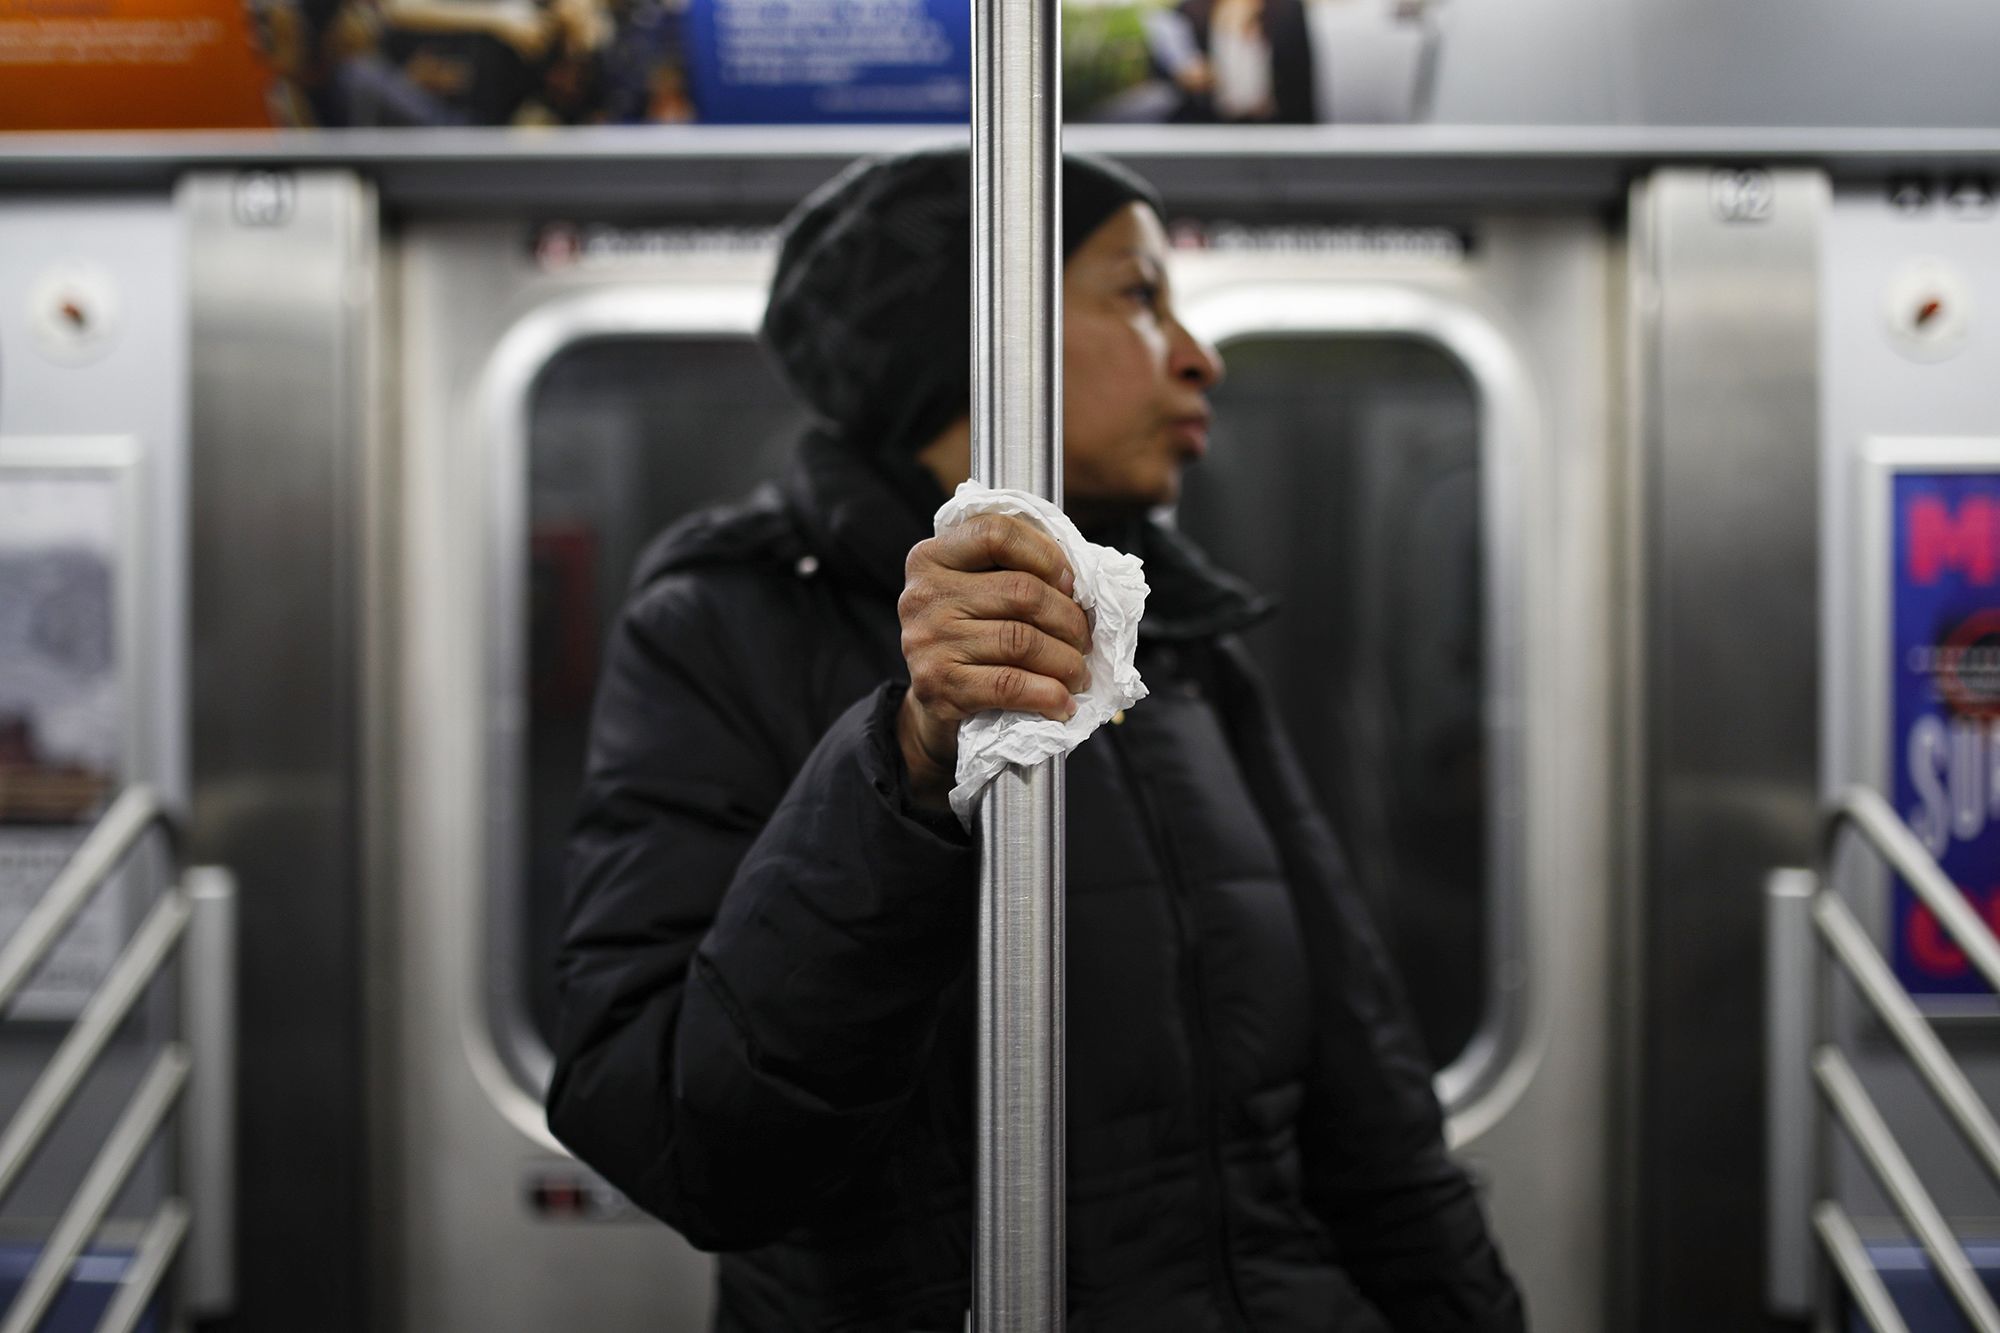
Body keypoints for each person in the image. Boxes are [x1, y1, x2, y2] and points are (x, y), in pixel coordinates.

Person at [545, 146, 1524, 1332]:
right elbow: (685, 1141)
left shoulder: (1182, 646)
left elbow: (1371, 1127)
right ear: (984, 337)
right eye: (1137, 293)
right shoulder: (723, 627)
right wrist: (904, 762)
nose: (1197, 354)